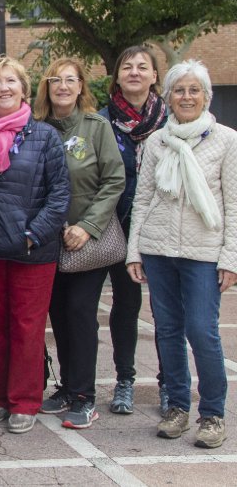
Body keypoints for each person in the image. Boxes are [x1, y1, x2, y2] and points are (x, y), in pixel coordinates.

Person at [126, 60, 235, 449]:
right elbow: (143, 198)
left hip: (204, 252)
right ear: (168, 96)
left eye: (194, 90)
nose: (186, 96)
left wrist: (230, 259)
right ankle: (175, 407)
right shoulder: (157, 141)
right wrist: (134, 250)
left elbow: (234, 204)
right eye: (179, 90)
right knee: (168, 331)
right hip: (158, 250)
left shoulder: (226, 139)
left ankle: (212, 415)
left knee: (202, 332)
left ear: (207, 95)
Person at [0, 58, 70, 435]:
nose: (3, 88)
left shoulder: (45, 136)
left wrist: (33, 234)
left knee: (27, 328)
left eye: (10, 81)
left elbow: (60, 195)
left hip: (33, 252)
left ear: (24, 88)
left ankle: (25, 400)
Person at [34, 58, 125, 430]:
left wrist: (86, 226)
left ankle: (85, 396)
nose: (63, 86)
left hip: (87, 240)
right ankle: (67, 387)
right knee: (58, 315)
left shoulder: (95, 127)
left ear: (81, 86)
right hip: (48, 240)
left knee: (81, 313)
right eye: (56, 80)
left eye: (70, 80)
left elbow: (114, 180)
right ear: (47, 87)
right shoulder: (37, 129)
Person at [99, 45, 168, 415]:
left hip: (164, 229)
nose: (135, 73)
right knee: (125, 306)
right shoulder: (101, 121)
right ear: (118, 76)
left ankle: (169, 383)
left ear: (155, 76)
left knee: (167, 310)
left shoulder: (172, 122)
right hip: (119, 226)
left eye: (143, 67)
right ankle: (124, 380)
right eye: (128, 67)